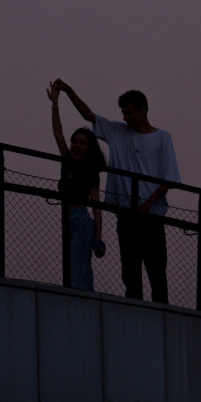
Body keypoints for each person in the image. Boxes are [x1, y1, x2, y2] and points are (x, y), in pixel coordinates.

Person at [53, 79, 180, 304]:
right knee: (130, 274)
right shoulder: (118, 131)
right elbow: (88, 115)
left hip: (151, 217)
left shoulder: (162, 138)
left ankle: (162, 314)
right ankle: (134, 313)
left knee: (156, 271)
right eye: (123, 113)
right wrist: (68, 91)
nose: (125, 118)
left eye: (129, 113)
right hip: (126, 214)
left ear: (143, 111)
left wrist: (148, 203)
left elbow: (169, 179)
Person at [47, 82, 107, 291]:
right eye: (75, 141)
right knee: (72, 261)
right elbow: (58, 133)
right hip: (67, 219)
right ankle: (78, 294)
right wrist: (55, 104)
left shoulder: (90, 170)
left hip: (81, 220)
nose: (76, 145)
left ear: (89, 148)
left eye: (82, 142)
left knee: (78, 261)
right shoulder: (68, 162)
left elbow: (96, 205)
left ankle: (80, 296)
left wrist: (99, 236)